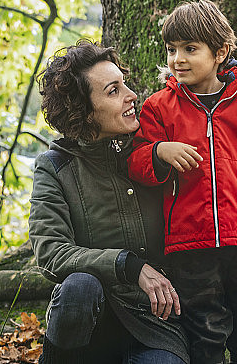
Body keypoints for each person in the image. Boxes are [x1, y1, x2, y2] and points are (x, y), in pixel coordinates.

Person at [127, 0, 237, 364]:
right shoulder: (159, 108)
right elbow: (136, 163)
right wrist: (160, 151)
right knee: (204, 331)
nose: (178, 59)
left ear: (220, 52)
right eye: (172, 50)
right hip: (189, 245)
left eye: (191, 49)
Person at [30, 39, 189, 364]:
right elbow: (50, 252)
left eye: (124, 84)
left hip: (154, 322)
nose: (132, 96)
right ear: (84, 112)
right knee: (79, 288)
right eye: (113, 91)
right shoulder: (54, 167)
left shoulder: (155, 152)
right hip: (89, 322)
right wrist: (128, 265)